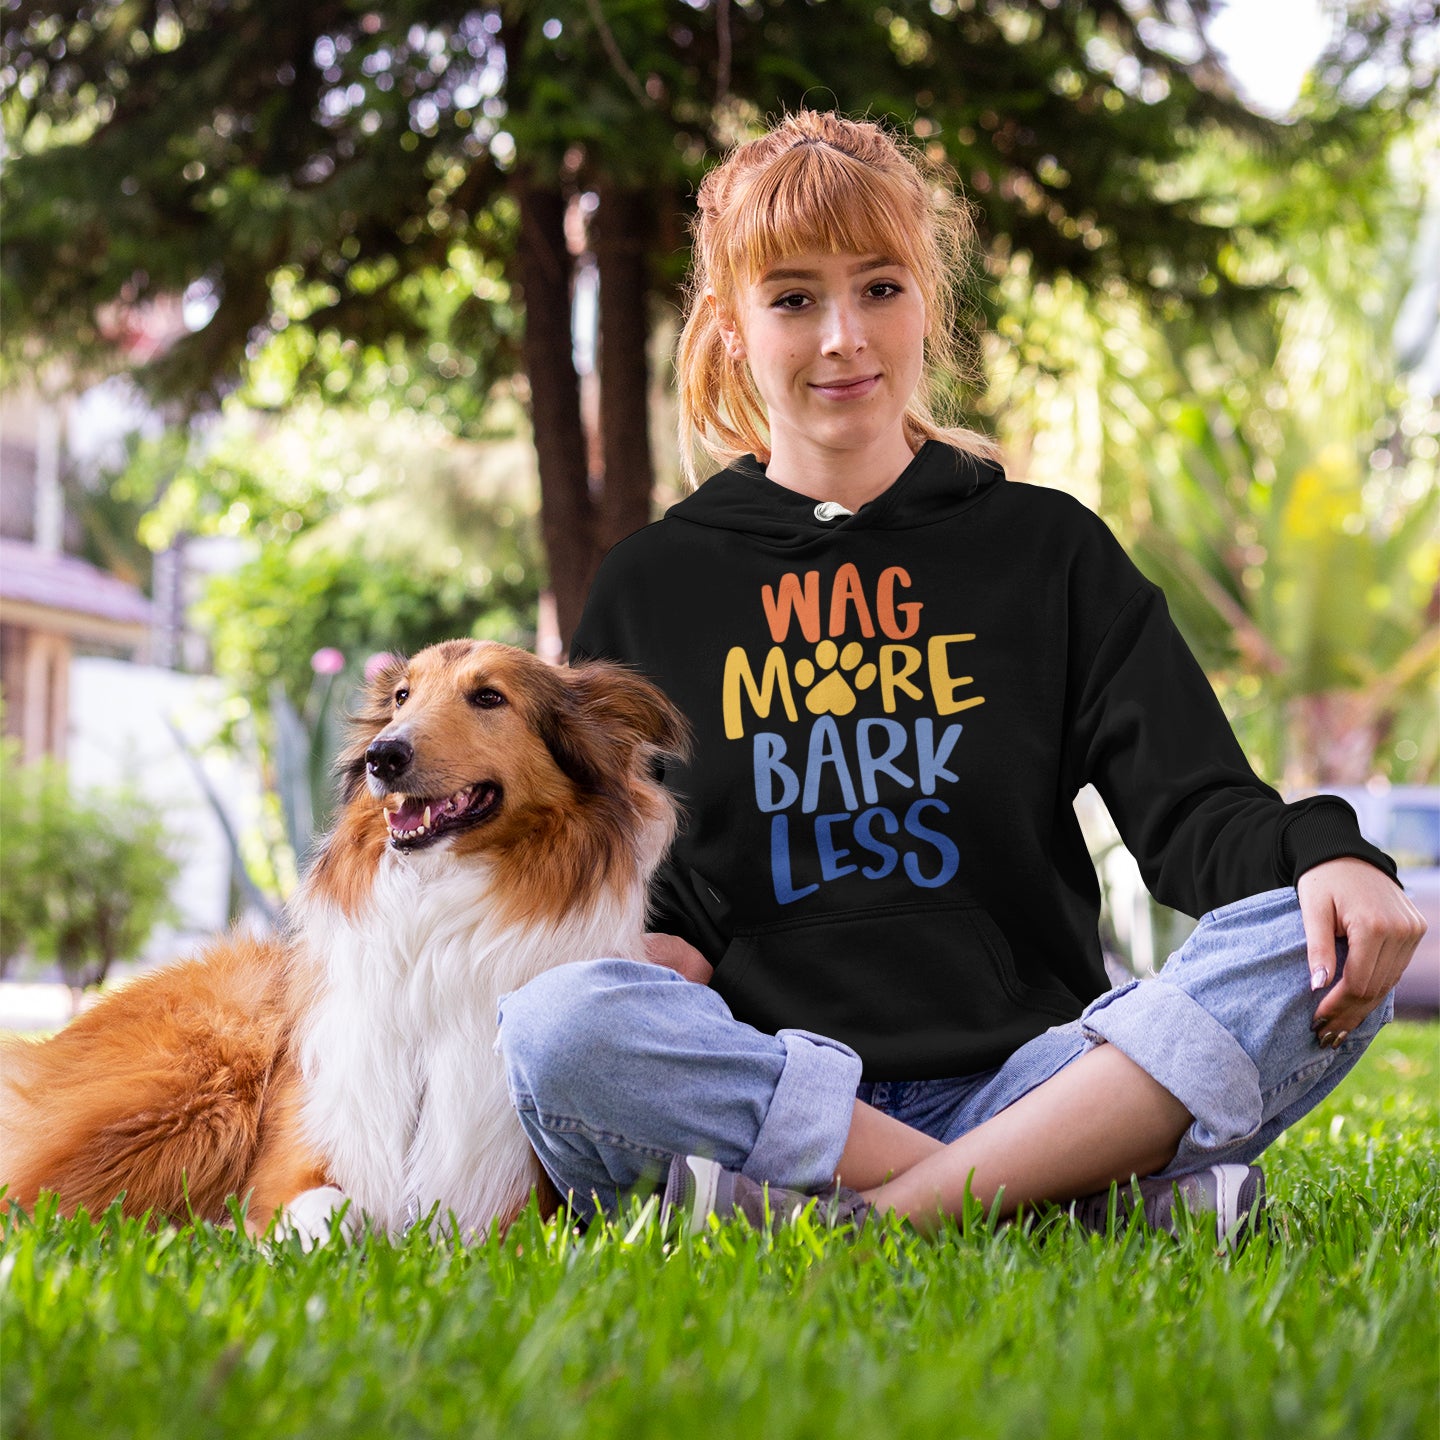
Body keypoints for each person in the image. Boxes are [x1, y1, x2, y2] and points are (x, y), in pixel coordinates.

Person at [497, 110, 1425, 1241]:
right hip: (788, 1101)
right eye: (793, 298)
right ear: (732, 329)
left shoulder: (1045, 551)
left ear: (925, 301)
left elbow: (1194, 815)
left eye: (879, 287)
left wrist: (1327, 853)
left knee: (1305, 938)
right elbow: (670, 903)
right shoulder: (653, 583)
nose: (844, 336)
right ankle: (1068, 1192)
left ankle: (873, 1220)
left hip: (1036, 1073)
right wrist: (630, 966)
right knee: (558, 1024)